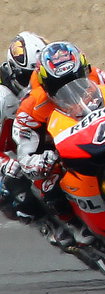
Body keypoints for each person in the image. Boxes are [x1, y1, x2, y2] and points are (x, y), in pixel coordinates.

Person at [10, 43, 105, 229]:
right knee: (50, 189)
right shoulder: (31, 106)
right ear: (46, 84)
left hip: (104, 130)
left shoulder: (96, 74)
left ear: (84, 69)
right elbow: (24, 153)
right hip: (61, 152)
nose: (72, 87)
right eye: (58, 85)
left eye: (77, 78)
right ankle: (80, 230)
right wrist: (38, 162)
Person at [0, 32, 46, 224]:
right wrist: (5, 165)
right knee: (20, 200)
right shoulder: (3, 98)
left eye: (39, 75)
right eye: (29, 77)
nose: (34, 82)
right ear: (14, 71)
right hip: (8, 152)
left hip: (35, 135)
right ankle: (48, 226)